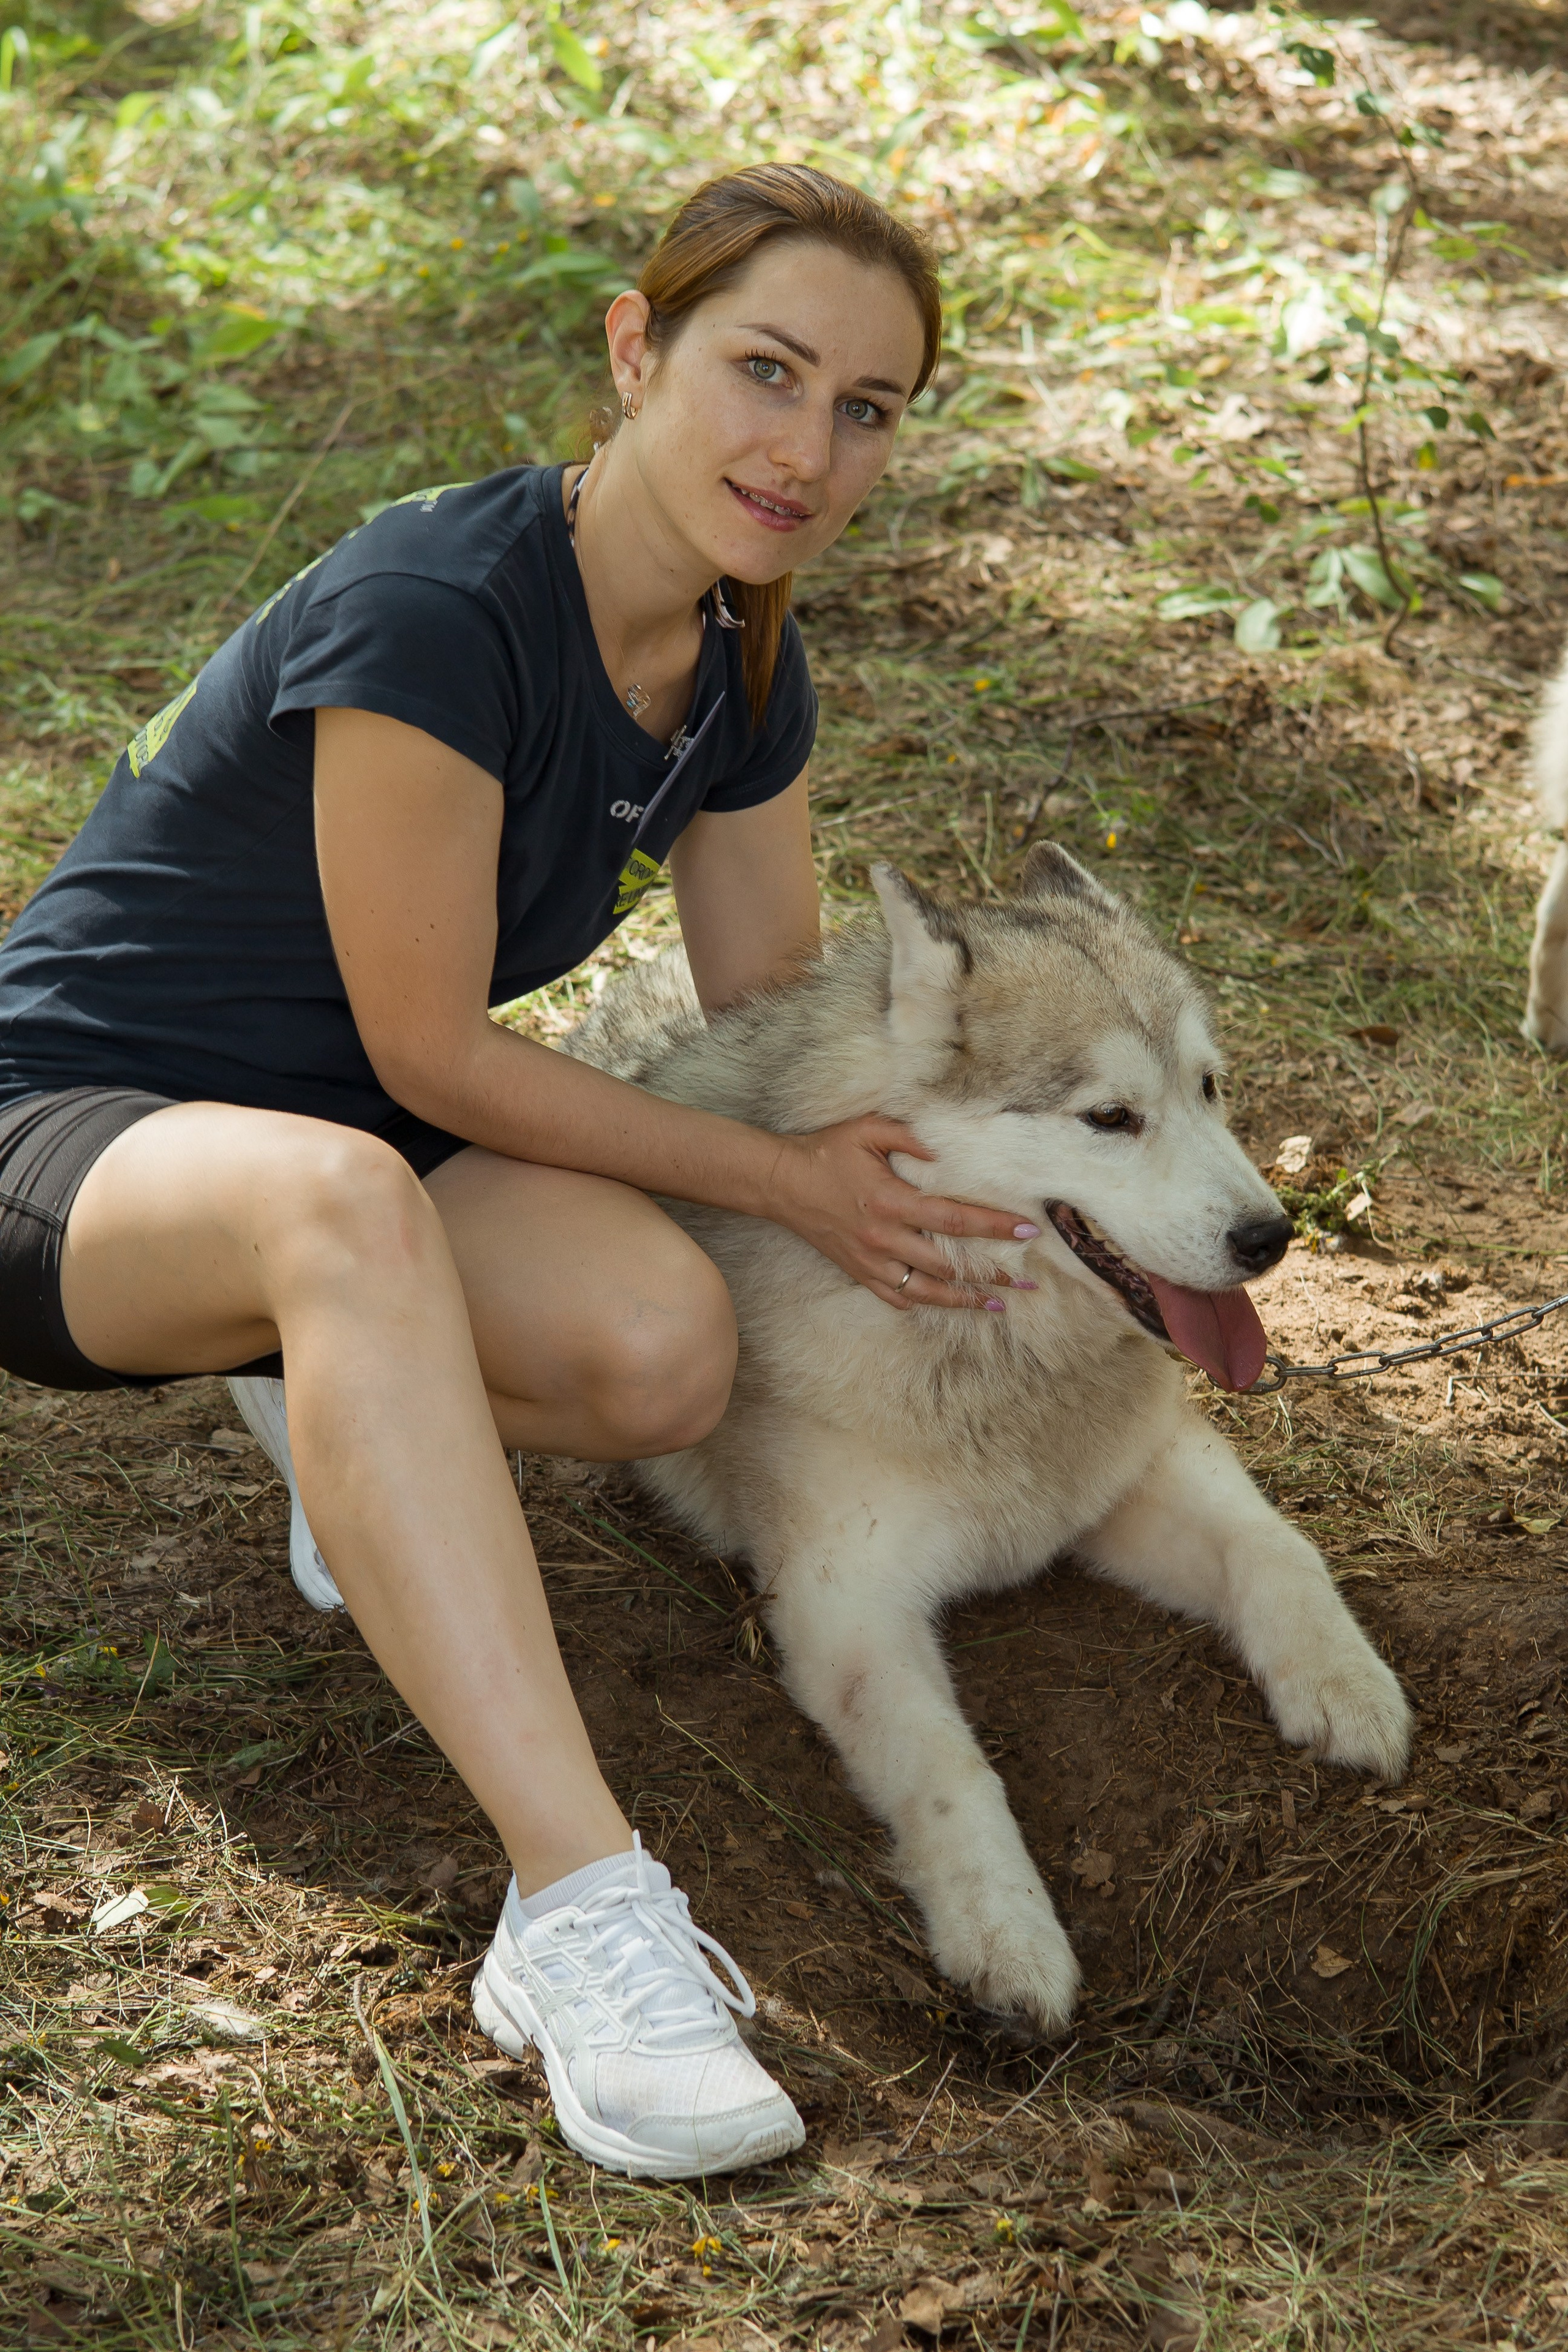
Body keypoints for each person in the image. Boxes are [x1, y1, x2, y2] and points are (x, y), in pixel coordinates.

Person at [0, 165, 1035, 2178]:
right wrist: (792, 1174)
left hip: (353, 1168)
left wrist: (1003, 1195)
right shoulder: (440, 603)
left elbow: (771, 1039)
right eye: (764, 370)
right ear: (636, 352)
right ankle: (578, 1910)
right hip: (74, 1137)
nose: (805, 447)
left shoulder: (745, 671)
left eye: (869, 408)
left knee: (664, 1346)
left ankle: (344, 1406)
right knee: (346, 1206)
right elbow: (425, 1056)